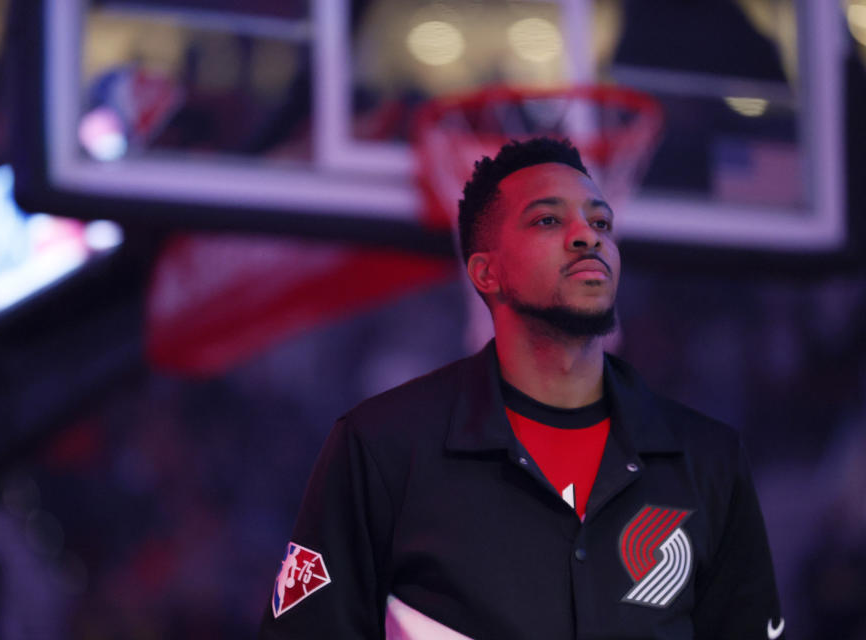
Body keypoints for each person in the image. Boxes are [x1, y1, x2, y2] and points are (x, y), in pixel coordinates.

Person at [259, 137, 784, 639]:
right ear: (487, 273)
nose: (588, 235)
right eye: (548, 219)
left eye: (601, 221)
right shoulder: (381, 446)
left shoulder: (709, 459)